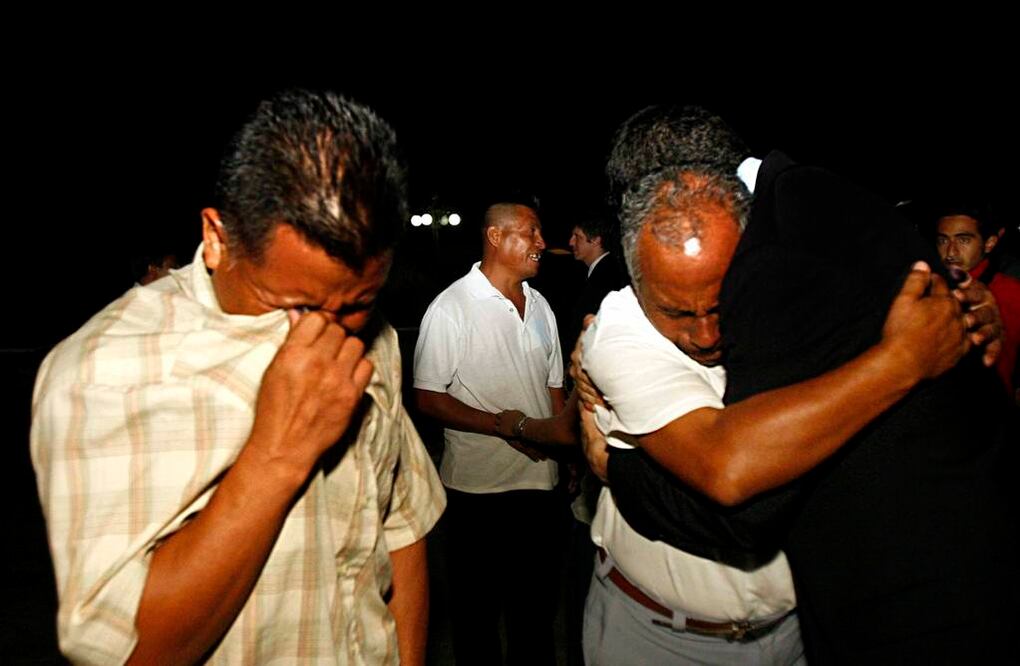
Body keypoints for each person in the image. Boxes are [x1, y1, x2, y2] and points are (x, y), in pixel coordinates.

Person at [579, 105, 1015, 664]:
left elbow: (748, 496)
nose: (708, 333)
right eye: (680, 313)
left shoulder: (783, 262)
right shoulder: (622, 322)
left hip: (845, 620)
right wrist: (904, 358)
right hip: (662, 630)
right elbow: (737, 488)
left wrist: (946, 300)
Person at [31, 89, 445, 665]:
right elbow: (129, 652)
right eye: (295, 304)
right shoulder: (107, 373)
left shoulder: (376, 338)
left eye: (355, 303)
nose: (325, 334)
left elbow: (401, 527)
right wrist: (279, 453)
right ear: (217, 239)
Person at [413, 202, 566, 665]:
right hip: (477, 492)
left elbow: (554, 387)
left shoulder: (540, 305)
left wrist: (564, 450)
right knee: (477, 621)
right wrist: (502, 425)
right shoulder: (451, 307)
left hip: (541, 487)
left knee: (534, 620)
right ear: (496, 237)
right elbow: (428, 397)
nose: (542, 243)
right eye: (531, 232)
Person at [935, 205, 1020, 401]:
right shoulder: (928, 288)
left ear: (989, 243)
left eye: (963, 240)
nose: (950, 252)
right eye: (943, 240)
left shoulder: (1013, 293)